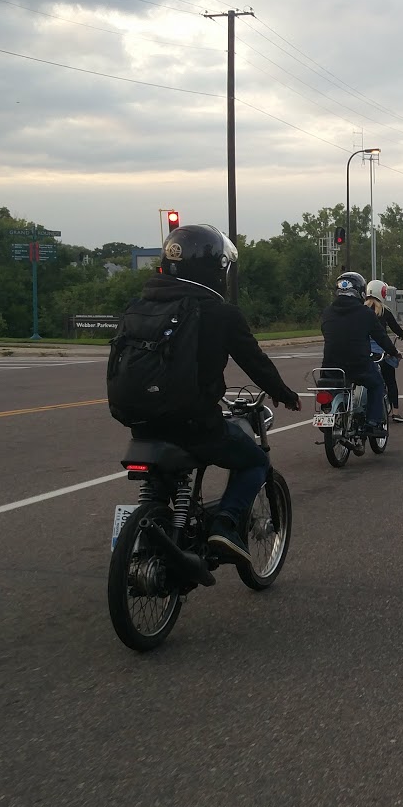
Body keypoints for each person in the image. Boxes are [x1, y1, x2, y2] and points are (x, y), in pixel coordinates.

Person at [113, 224, 302, 565]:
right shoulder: (220, 313)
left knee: (158, 487)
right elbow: (254, 361)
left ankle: (146, 540)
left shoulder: (138, 306)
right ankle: (226, 525)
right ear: (215, 269)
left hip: (140, 423)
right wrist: (284, 393)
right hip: (193, 424)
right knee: (255, 461)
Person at [320, 271, 391, 438]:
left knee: (329, 387)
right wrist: (394, 352)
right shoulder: (366, 313)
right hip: (358, 365)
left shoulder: (327, 312)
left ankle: (328, 413)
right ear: (360, 291)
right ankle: (372, 422)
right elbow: (381, 337)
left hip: (330, 366)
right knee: (377, 384)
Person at [365, 279, 403, 423]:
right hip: (381, 350)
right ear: (382, 293)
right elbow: (395, 327)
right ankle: (395, 412)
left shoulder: (361, 309)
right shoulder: (384, 310)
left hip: (364, 351)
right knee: (390, 381)